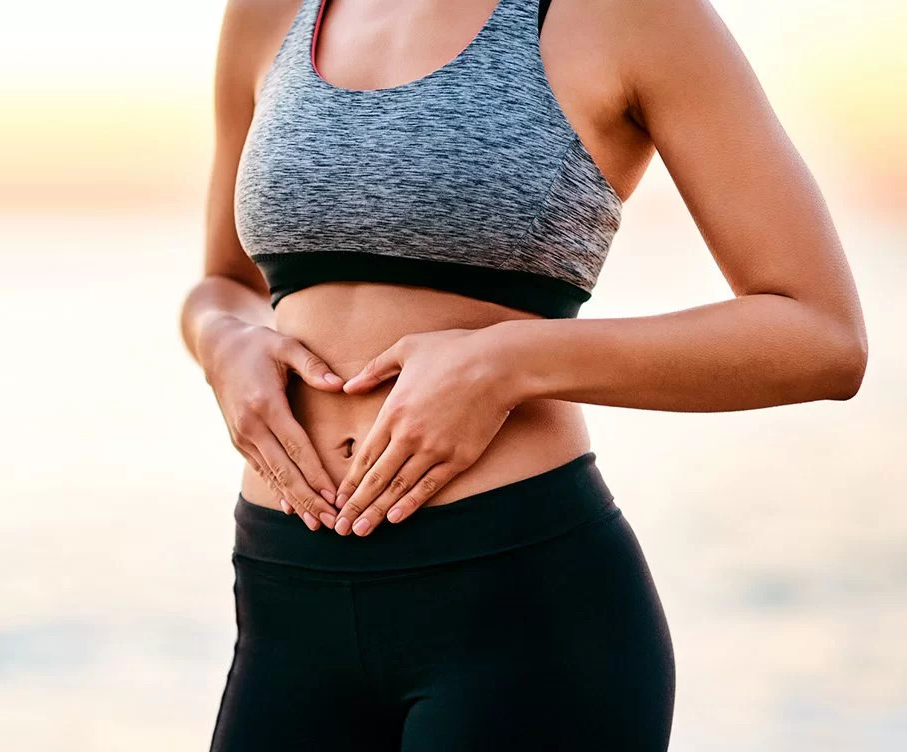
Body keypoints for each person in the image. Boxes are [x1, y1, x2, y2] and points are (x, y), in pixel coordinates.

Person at [178, 0, 868, 748]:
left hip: (518, 614)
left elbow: (820, 335)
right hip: (285, 604)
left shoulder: (627, 16)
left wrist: (504, 361)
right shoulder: (269, 14)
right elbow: (226, 282)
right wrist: (223, 342)